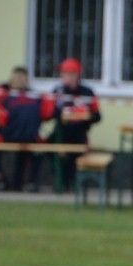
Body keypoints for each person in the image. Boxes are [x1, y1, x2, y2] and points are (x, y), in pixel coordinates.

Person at [0, 66, 54, 191]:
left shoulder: (34, 96)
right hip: (6, 135)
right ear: (11, 80)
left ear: (27, 80)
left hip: (29, 136)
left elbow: (47, 114)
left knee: (40, 148)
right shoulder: (2, 93)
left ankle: (29, 182)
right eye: (16, 78)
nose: (19, 81)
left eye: (22, 78)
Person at [50, 57, 101, 193]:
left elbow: (97, 116)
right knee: (49, 150)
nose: (65, 77)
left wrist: (86, 116)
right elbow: (51, 113)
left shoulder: (87, 92)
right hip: (61, 133)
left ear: (77, 75)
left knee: (75, 155)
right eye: (63, 73)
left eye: (69, 73)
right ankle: (60, 182)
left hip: (79, 133)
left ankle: (73, 185)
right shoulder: (58, 91)